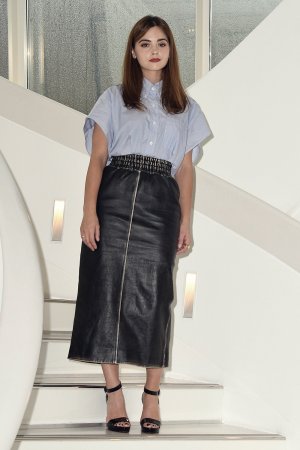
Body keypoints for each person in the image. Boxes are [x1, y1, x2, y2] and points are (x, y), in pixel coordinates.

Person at [67, 14, 212, 434]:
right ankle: (113, 393)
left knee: (155, 295)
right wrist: (88, 210)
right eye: (145, 43)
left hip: (160, 203)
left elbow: (185, 170)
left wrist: (186, 219)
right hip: (114, 195)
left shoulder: (186, 107)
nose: (154, 50)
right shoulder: (113, 98)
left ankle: (151, 394)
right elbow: (97, 158)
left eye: (161, 43)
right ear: (133, 51)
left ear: (170, 51)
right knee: (104, 288)